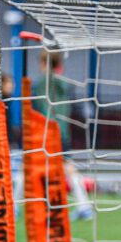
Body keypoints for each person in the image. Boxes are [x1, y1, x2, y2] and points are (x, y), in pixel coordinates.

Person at [31, 50, 93, 220]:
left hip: (47, 132)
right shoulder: (65, 83)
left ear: (44, 64)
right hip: (62, 131)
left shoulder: (39, 84)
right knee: (66, 168)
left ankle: (81, 206)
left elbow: (35, 108)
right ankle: (82, 206)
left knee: (36, 167)